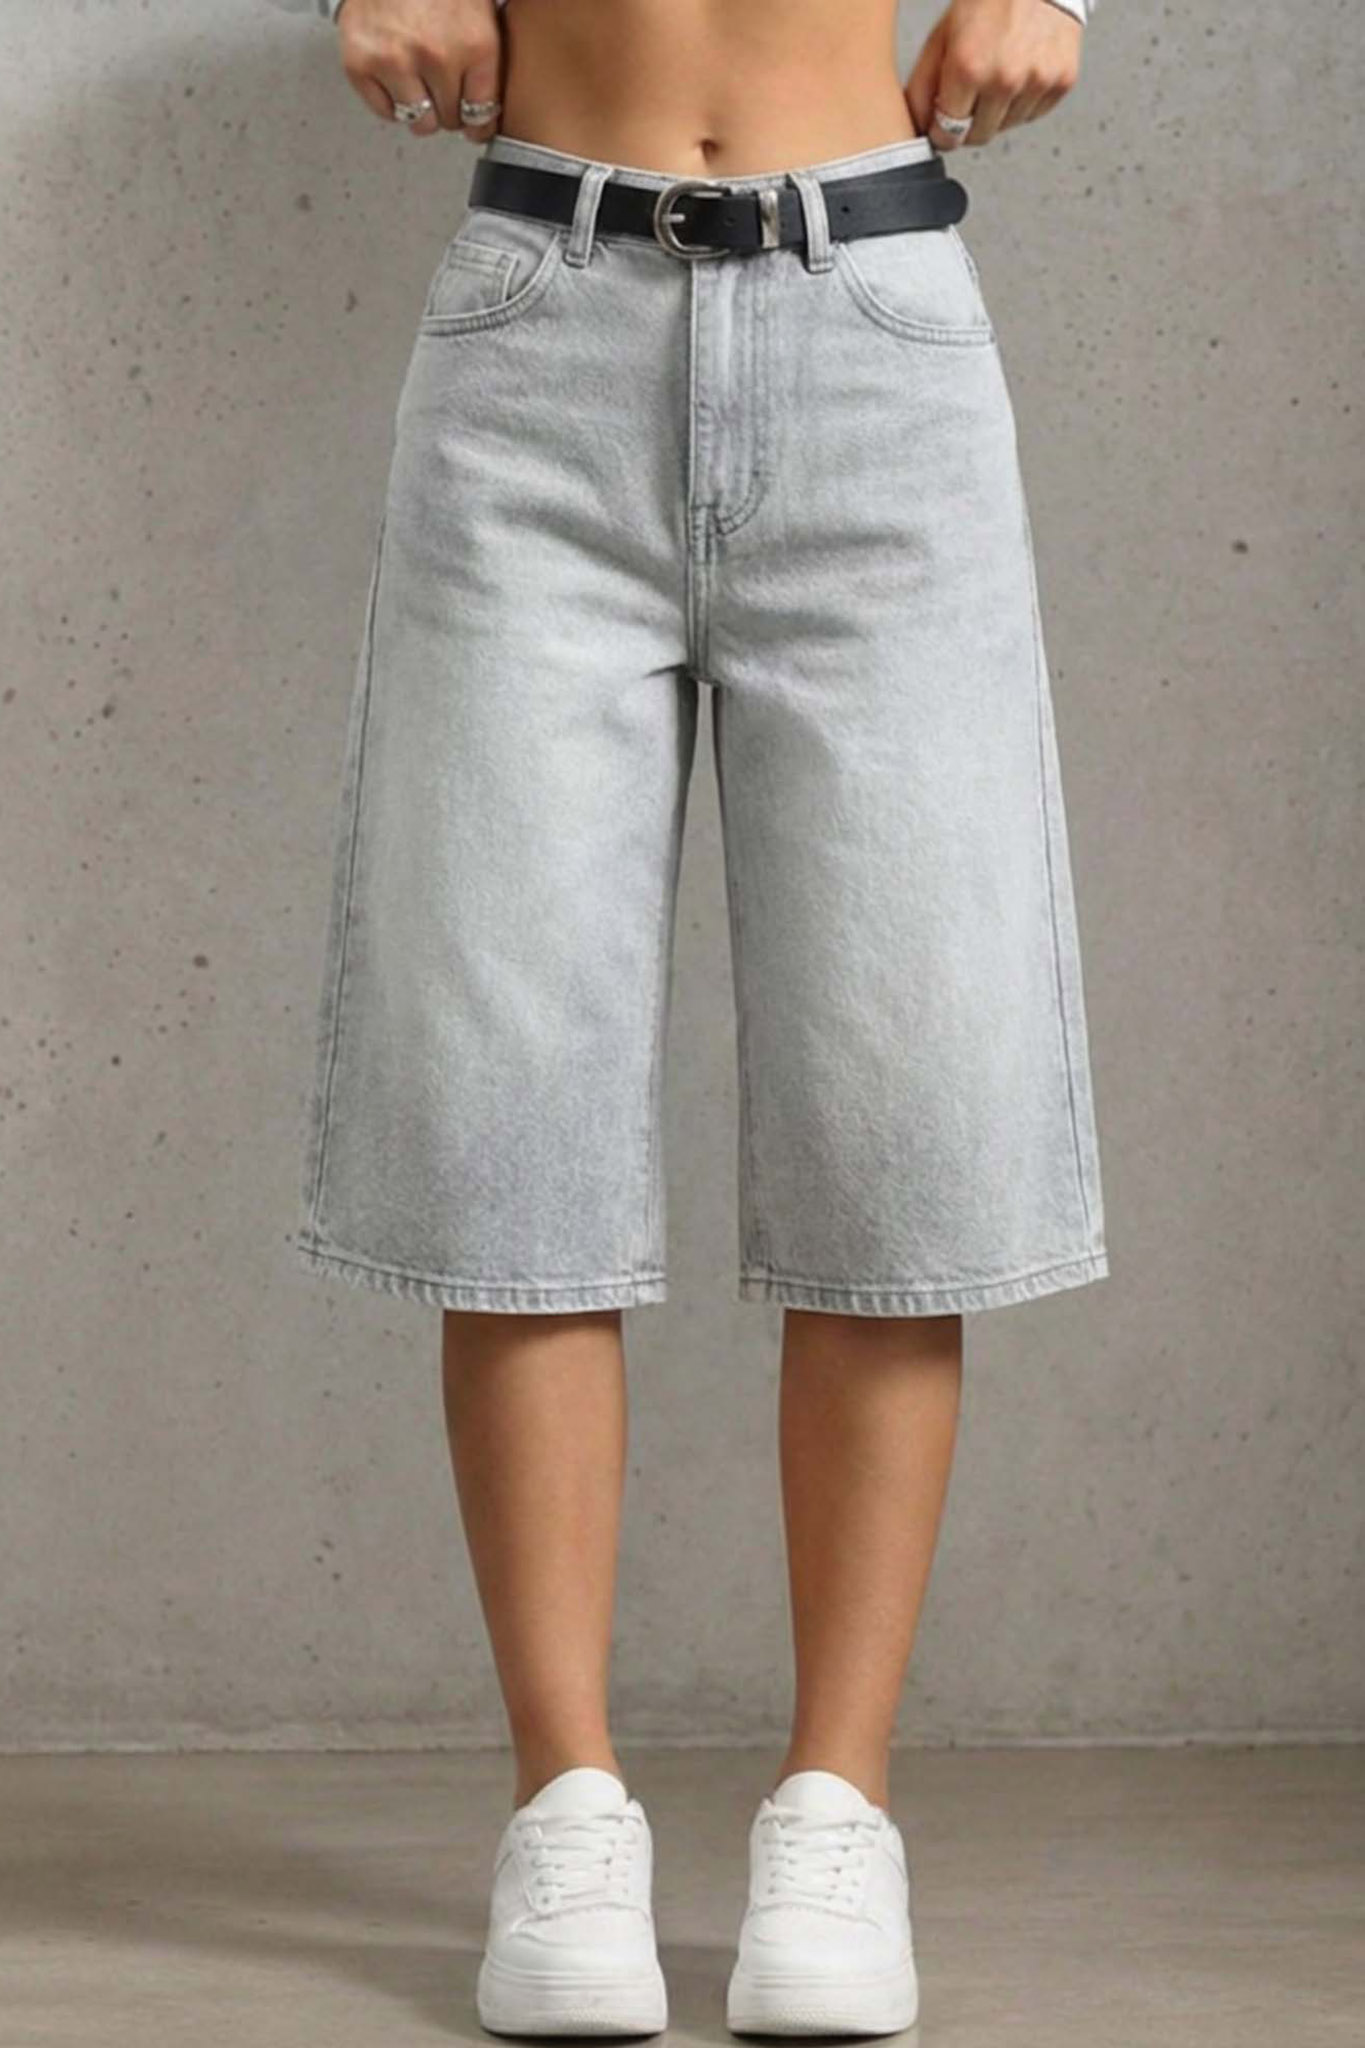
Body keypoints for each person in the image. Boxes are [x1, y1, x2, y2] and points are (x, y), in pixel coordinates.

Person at [279, 0, 1108, 2034]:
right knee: (506, 1099)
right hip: (535, 330)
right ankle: (562, 1805)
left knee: (903, 1097)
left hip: (875, 329)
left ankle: (839, 1806)